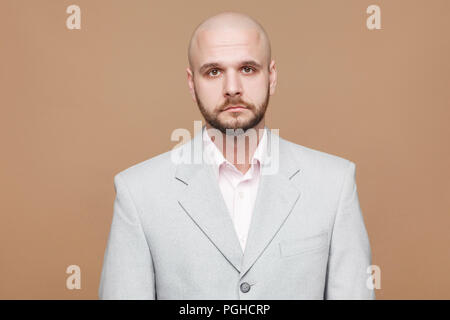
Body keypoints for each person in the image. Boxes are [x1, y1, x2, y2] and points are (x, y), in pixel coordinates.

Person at [98, 11, 375, 300]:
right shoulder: (138, 192)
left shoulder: (334, 183)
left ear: (272, 76)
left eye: (247, 69)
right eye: (214, 72)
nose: (232, 89)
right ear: (192, 84)